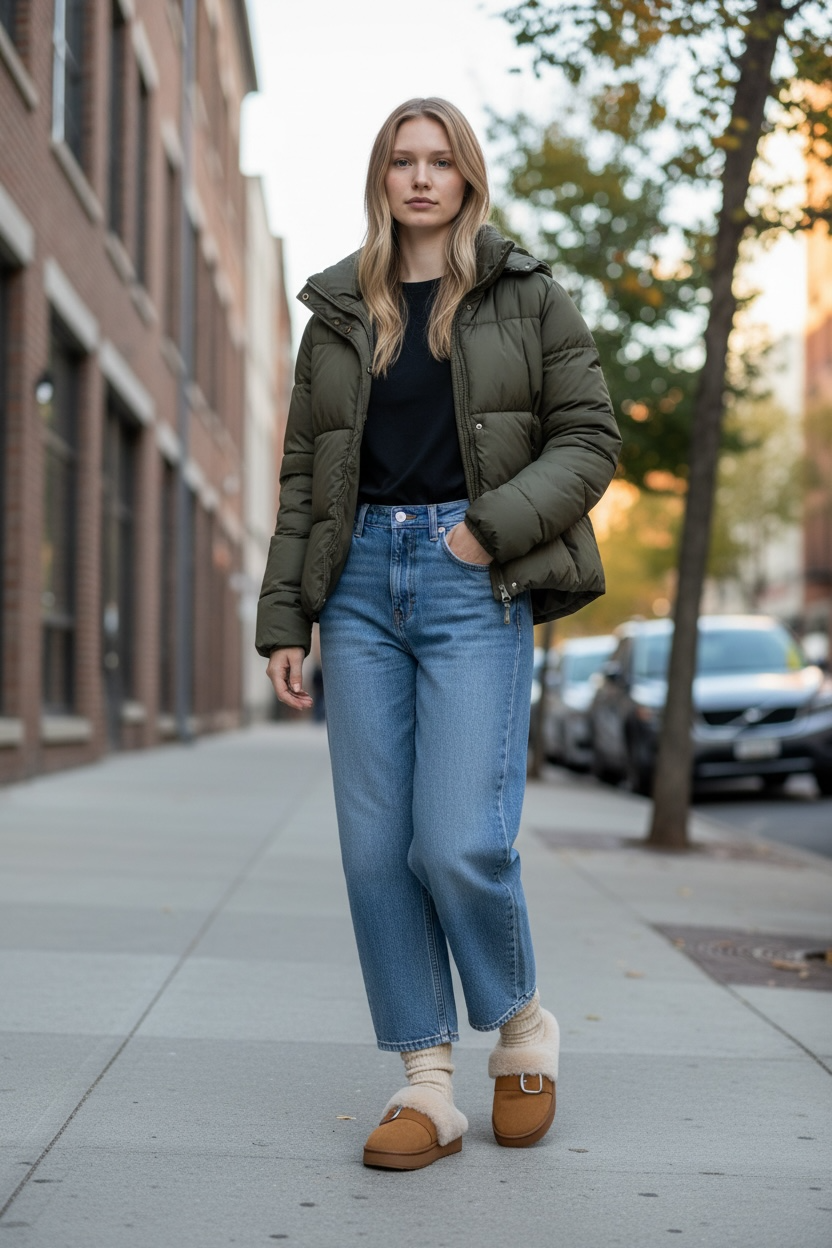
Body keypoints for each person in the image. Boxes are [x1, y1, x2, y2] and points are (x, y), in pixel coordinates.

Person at [256, 98, 621, 1170]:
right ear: (381, 176)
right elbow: (298, 476)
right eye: (402, 161)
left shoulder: (526, 294)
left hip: (474, 582)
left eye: (440, 161)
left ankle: (520, 1026)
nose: (421, 178)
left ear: (467, 177)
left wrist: (484, 530)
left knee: (455, 838)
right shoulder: (335, 311)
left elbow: (588, 437)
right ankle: (426, 1086)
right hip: (359, 583)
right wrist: (287, 614)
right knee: (375, 851)